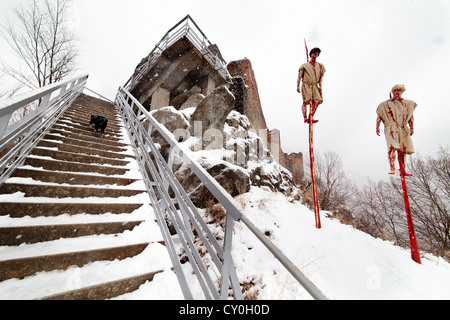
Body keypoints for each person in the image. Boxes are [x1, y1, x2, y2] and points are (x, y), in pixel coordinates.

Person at [376, 84, 417, 175]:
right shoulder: (385, 104)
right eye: (395, 91)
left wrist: (412, 127)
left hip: (402, 127)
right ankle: (392, 168)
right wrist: (377, 127)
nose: (397, 93)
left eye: (399, 91)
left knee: (403, 149)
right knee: (392, 147)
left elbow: (410, 116)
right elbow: (379, 116)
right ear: (392, 92)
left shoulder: (407, 103)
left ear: (402, 92)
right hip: (391, 127)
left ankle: (403, 169)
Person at [297, 47, 326, 123]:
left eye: (316, 53)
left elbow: (321, 78)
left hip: (315, 86)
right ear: (311, 54)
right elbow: (299, 76)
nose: (315, 54)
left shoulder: (320, 66)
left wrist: (320, 87)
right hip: (306, 85)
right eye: (314, 53)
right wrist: (297, 86)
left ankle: (311, 116)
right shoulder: (305, 65)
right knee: (307, 101)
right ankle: (305, 117)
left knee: (317, 100)